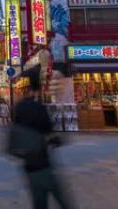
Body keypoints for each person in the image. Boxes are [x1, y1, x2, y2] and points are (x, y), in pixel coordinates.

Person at [13, 66, 73, 209]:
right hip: (43, 163)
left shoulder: (19, 107)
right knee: (62, 200)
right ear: (38, 88)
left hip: (28, 165)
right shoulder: (40, 108)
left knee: (39, 201)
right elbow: (49, 132)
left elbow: (17, 129)